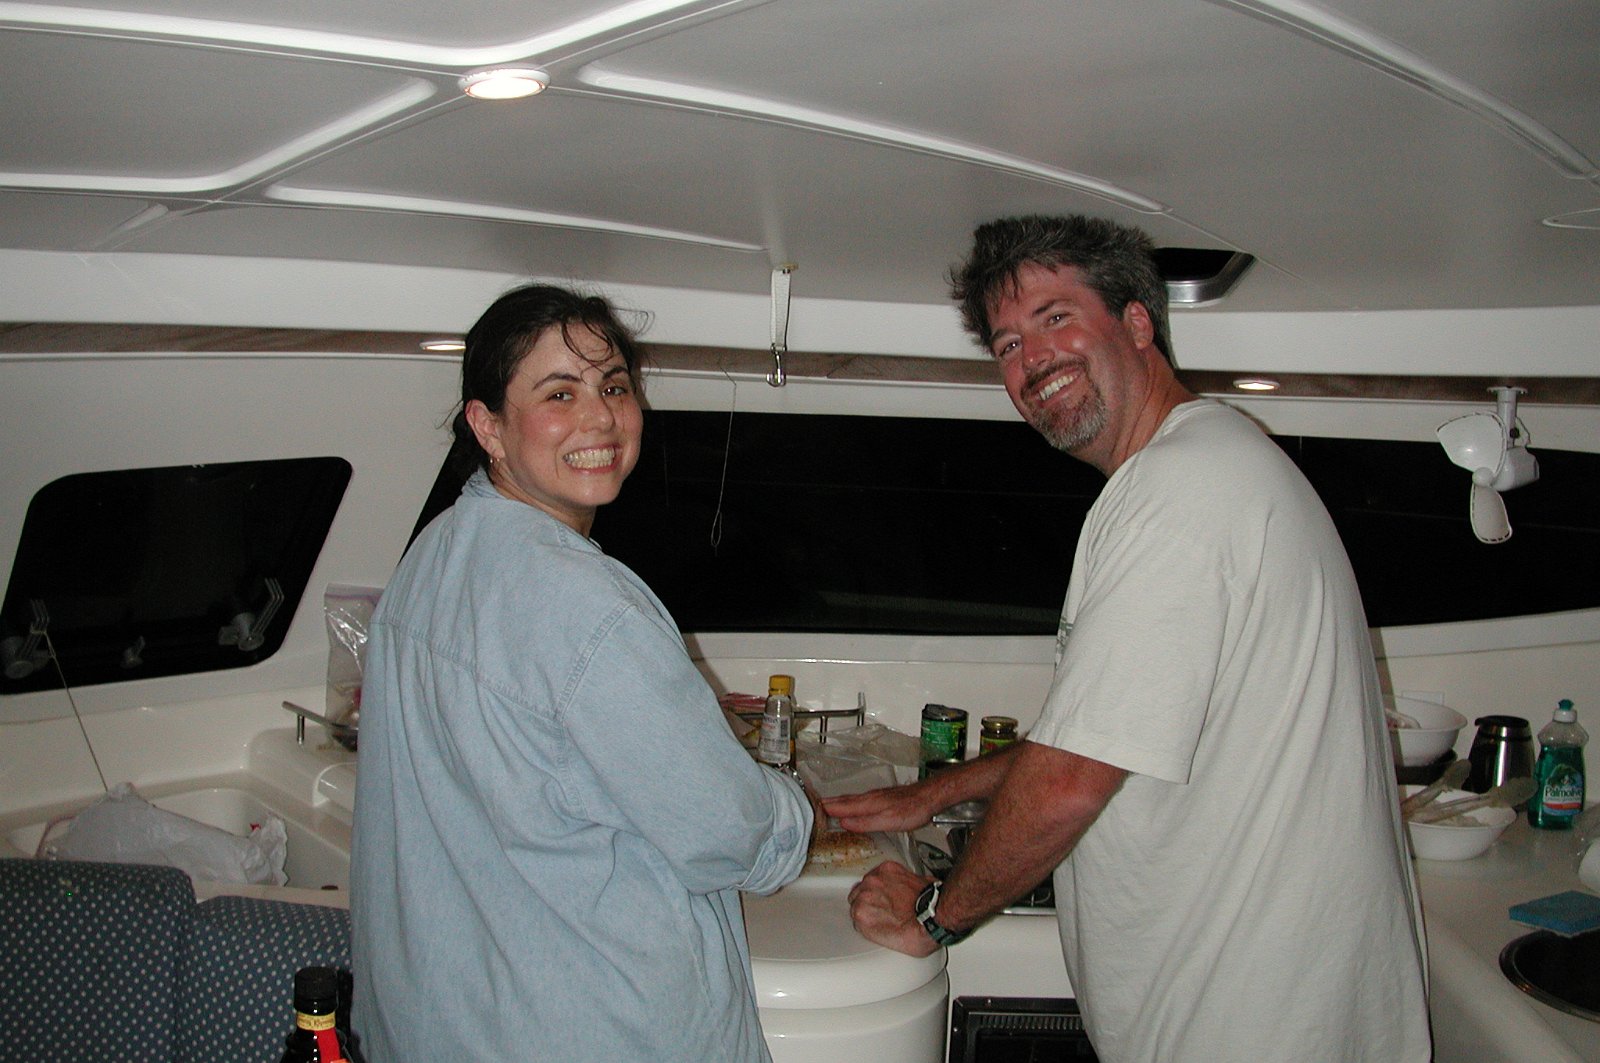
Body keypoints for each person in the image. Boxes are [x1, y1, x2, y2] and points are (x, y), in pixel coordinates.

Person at [826, 215, 1431, 1061]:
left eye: (1056, 318)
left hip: (1256, 1024)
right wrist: (936, 793)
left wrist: (933, 915)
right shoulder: (1209, 460)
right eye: (1008, 344)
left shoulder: (1179, 495)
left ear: (1138, 322)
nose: (1033, 359)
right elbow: (1110, 732)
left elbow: (1071, 781)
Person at [349, 284, 815, 1062]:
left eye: (614, 386)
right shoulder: (591, 608)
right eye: (559, 393)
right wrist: (797, 810)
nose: (599, 418)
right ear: (487, 426)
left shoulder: (428, 557)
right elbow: (730, 836)